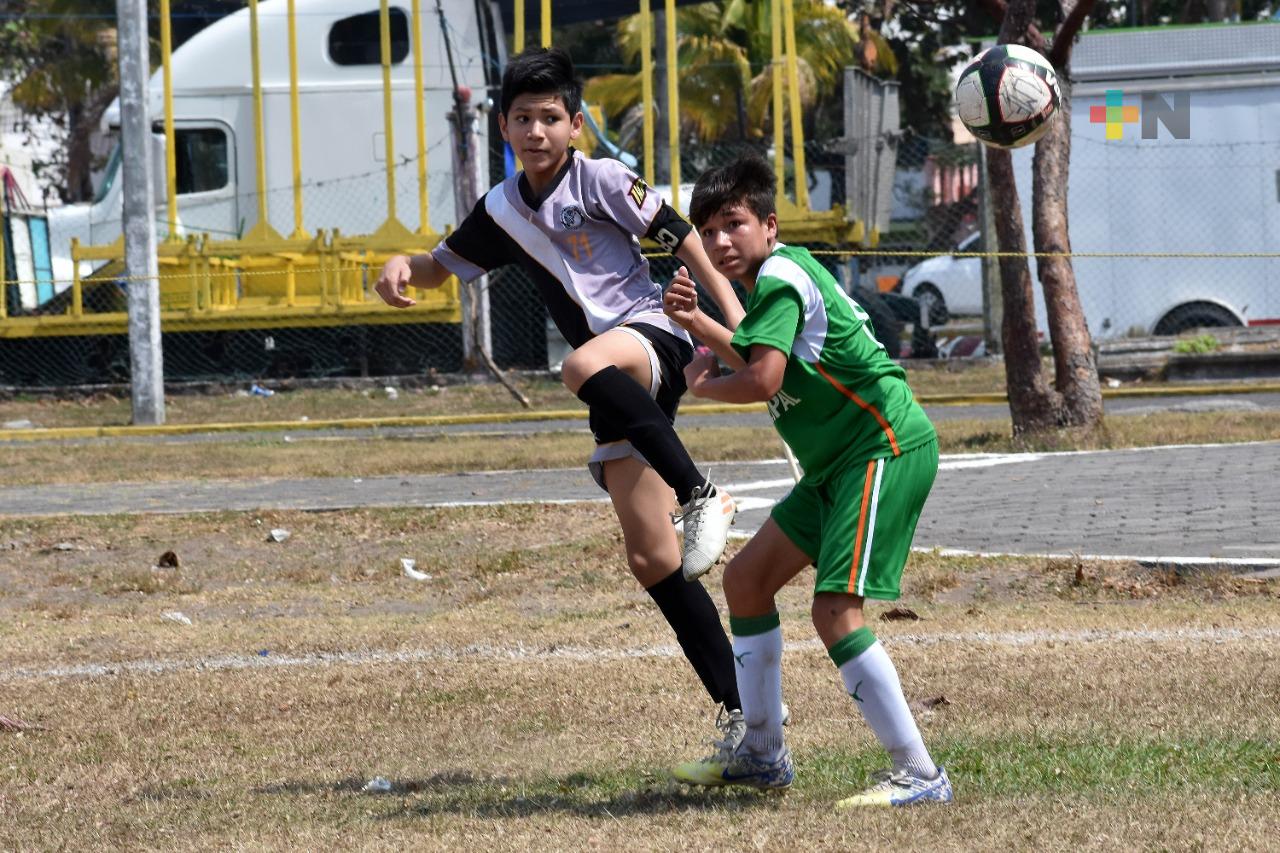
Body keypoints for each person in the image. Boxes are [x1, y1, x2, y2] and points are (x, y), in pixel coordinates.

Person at [374, 47, 751, 748]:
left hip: (651, 334)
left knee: (576, 363)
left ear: (576, 125)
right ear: (503, 129)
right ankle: (746, 714)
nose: (537, 130)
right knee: (653, 559)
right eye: (524, 118)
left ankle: (704, 491)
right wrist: (403, 264)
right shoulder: (502, 209)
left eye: (551, 117)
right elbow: (439, 268)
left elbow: (684, 238)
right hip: (615, 379)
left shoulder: (604, 179)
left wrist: (732, 316)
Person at [662, 155, 952, 808]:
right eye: (707, 231)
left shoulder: (785, 275)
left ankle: (921, 774)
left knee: (833, 610)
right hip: (836, 464)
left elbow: (763, 377)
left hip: (882, 448)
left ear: (769, 224)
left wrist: (703, 386)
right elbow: (764, 352)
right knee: (746, 580)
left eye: (733, 223)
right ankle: (763, 756)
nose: (719, 242)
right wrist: (699, 324)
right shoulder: (773, 284)